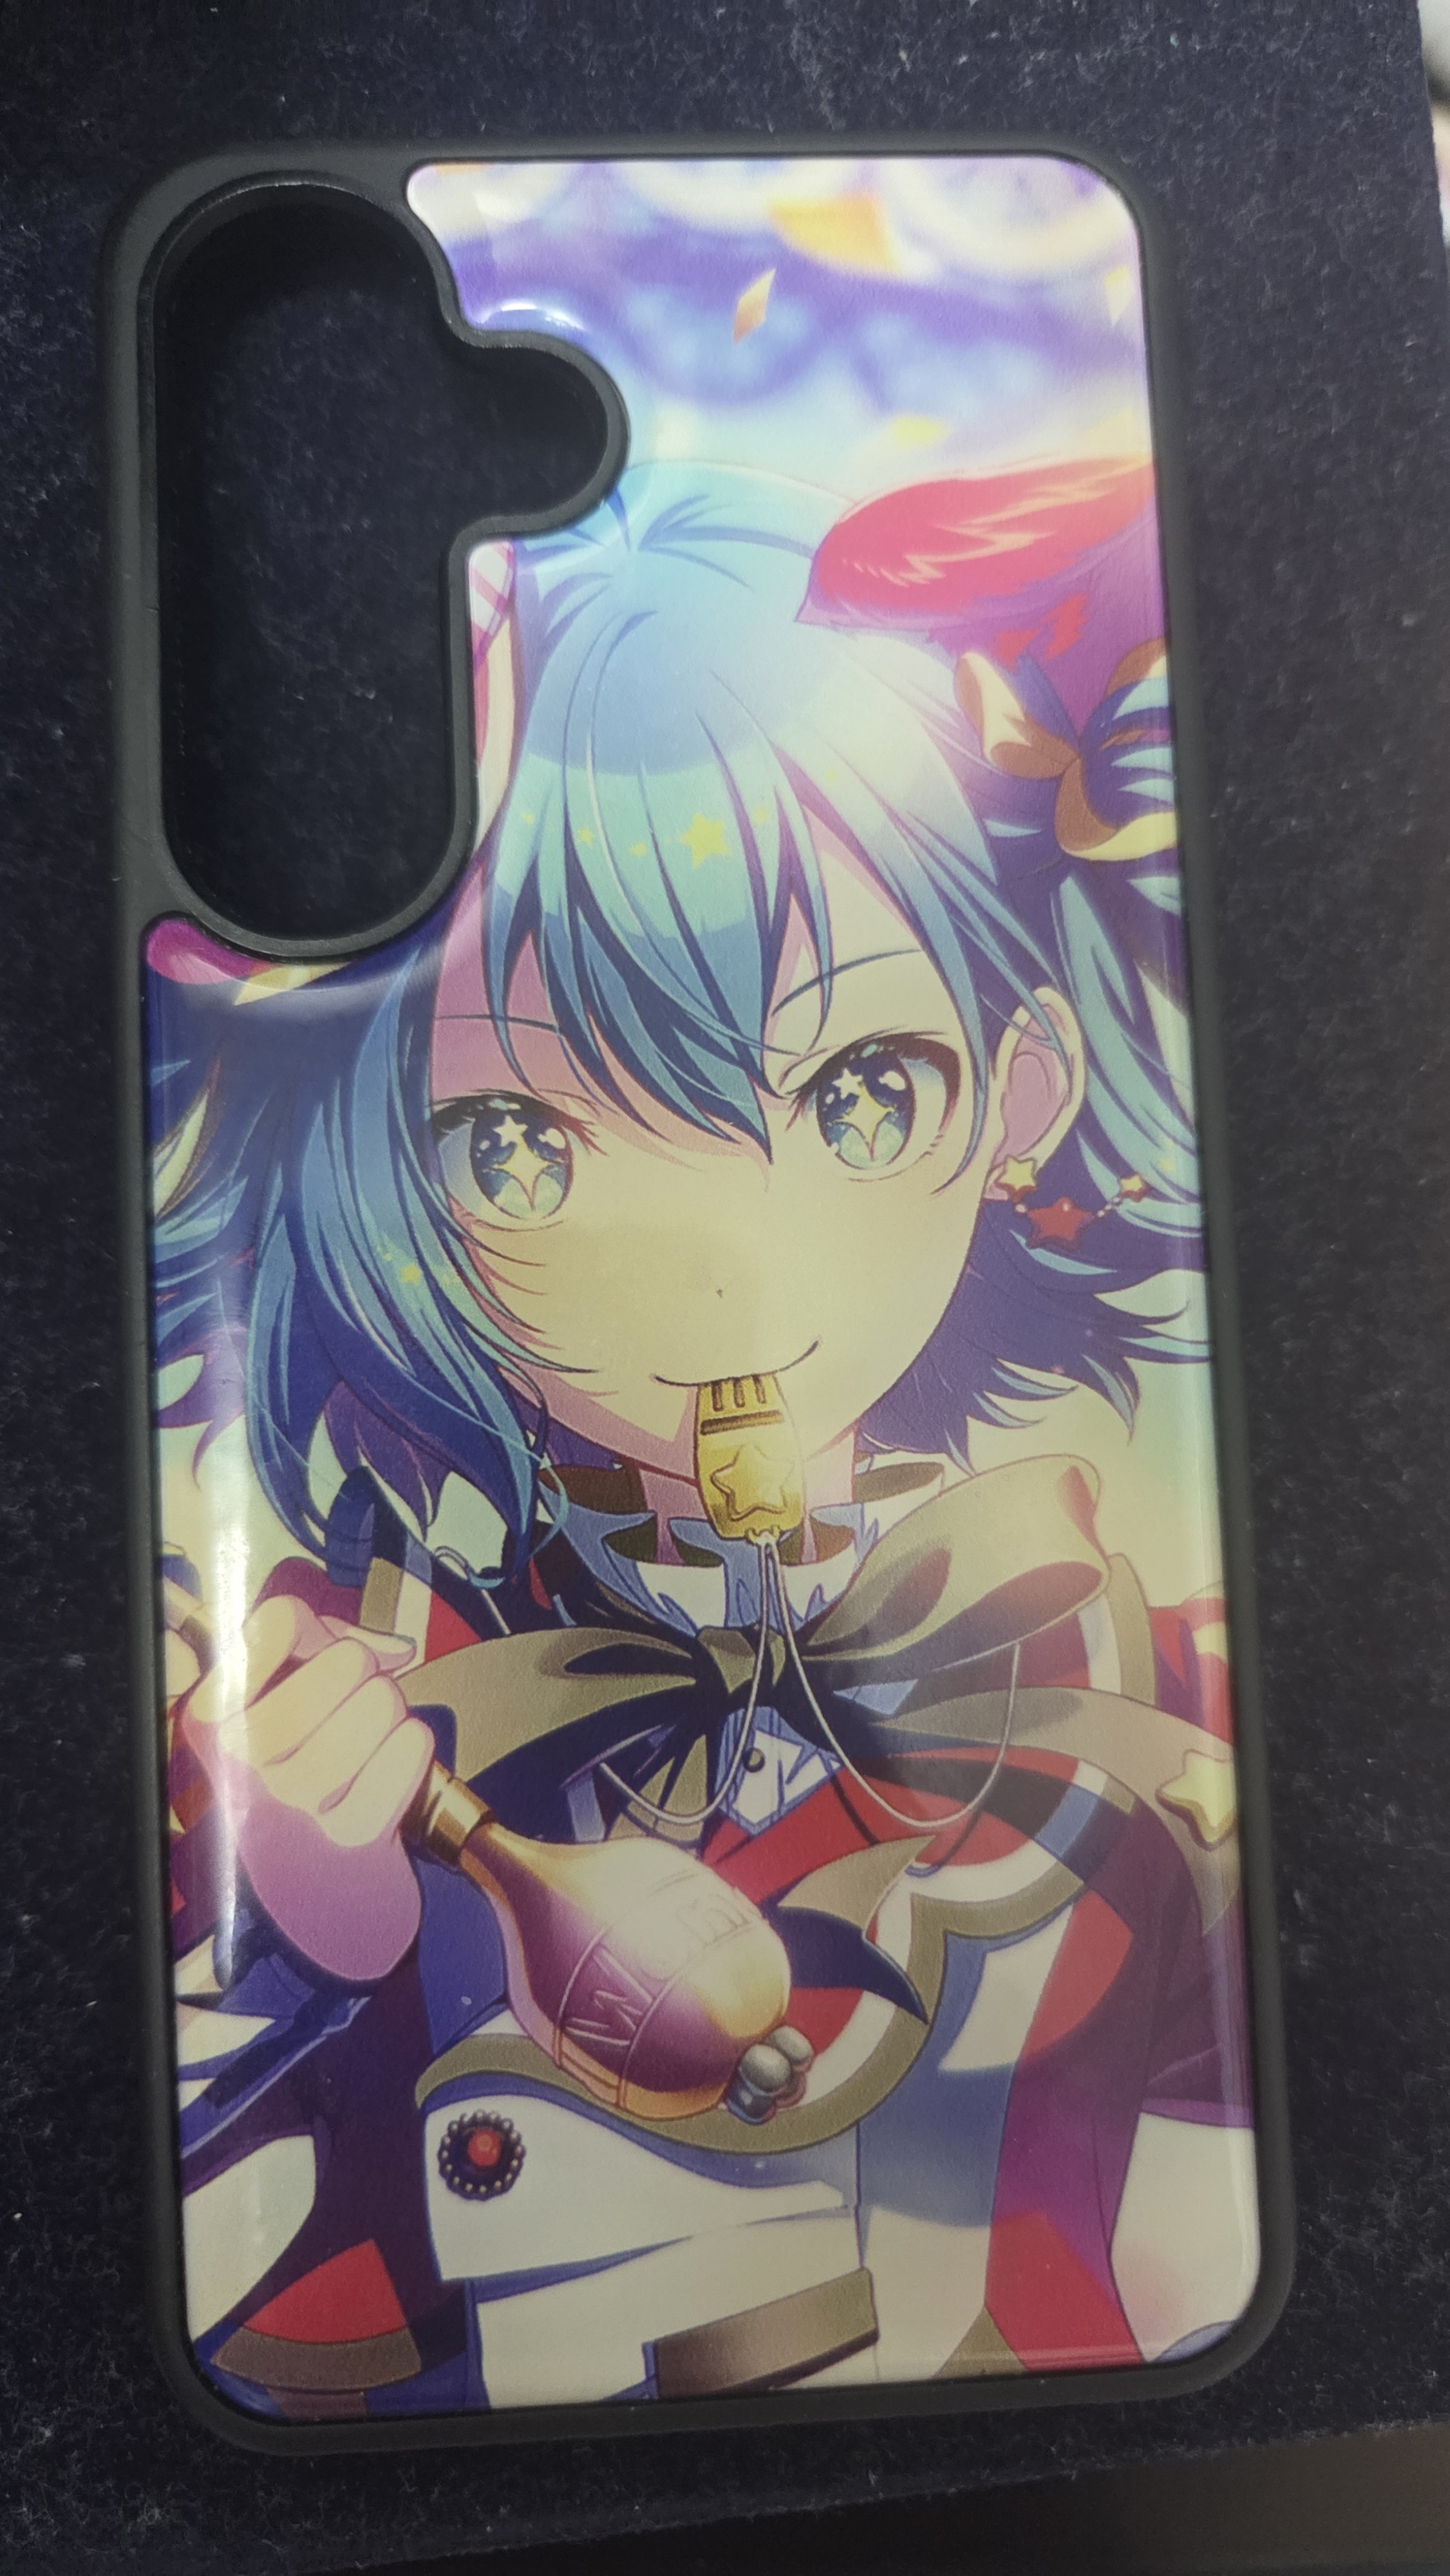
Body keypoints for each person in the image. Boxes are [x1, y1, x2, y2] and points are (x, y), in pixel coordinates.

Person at [155, 460, 1257, 2420]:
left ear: (1018, 1091)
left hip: (1044, 2439)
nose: (711, 1261)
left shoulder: (1092, 1637)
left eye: (857, 1094)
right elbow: (283, 2073)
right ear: (388, 1175)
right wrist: (326, 1891)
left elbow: (1195, 2036)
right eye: (522, 1147)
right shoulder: (398, 1665)